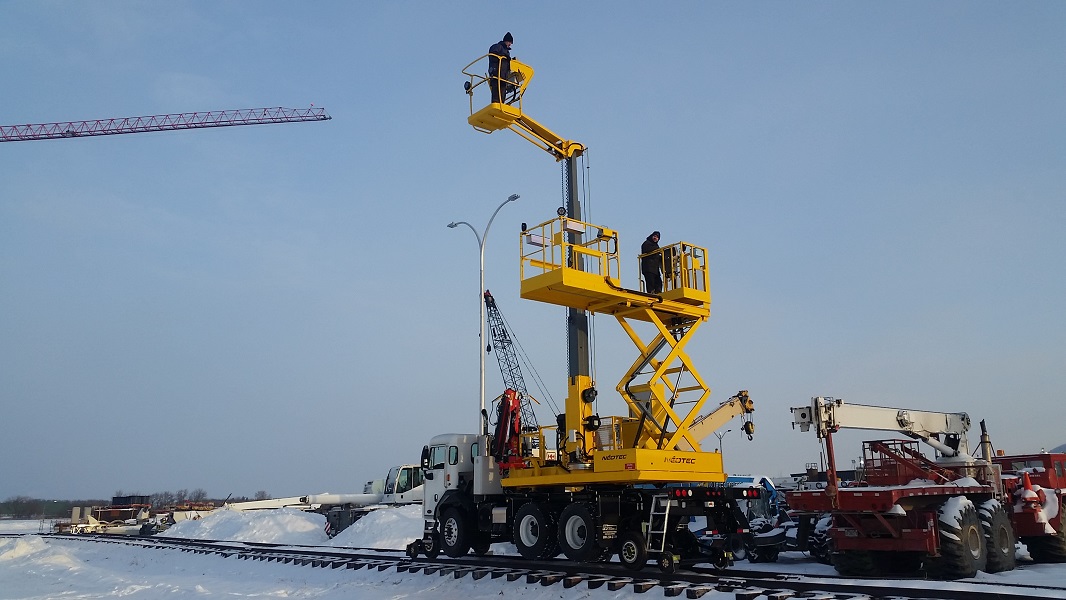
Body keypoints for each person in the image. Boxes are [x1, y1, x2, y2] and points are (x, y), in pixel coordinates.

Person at [488, 32, 513, 104]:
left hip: (503, 76)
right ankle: (496, 103)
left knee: (502, 93)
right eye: (510, 42)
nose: (510, 44)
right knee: (496, 92)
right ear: (506, 41)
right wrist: (504, 55)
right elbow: (493, 55)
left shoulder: (507, 52)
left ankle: (501, 104)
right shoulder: (497, 47)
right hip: (496, 73)